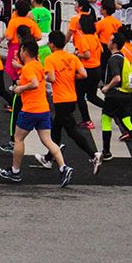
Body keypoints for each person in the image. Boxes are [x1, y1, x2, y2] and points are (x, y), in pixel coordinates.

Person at [0, 38, 75, 186]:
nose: (19, 53)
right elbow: (35, 81)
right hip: (43, 109)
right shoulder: (38, 65)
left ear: (25, 52)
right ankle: (64, 167)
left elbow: (32, 83)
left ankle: (15, 171)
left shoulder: (28, 68)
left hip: (30, 110)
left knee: (18, 139)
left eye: (20, 51)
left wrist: (20, 89)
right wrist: (19, 84)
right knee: (48, 140)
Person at [37, 31, 101, 174]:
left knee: (72, 131)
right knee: (56, 128)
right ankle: (48, 158)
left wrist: (45, 76)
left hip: (61, 99)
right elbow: (83, 74)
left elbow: (52, 78)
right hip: (72, 98)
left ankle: (93, 155)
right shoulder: (72, 57)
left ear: (52, 45)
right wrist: (70, 76)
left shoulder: (50, 59)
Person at [98, 28, 132, 164]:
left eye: (110, 40)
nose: (107, 42)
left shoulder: (113, 59)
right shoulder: (123, 58)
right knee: (127, 121)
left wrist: (106, 88)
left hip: (114, 94)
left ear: (114, 44)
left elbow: (116, 78)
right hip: (125, 94)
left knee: (106, 119)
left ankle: (106, 151)